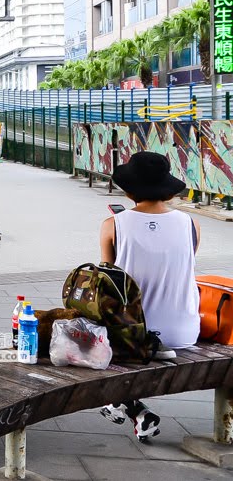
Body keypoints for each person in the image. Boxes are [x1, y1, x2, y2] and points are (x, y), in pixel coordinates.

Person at [97, 151, 200, 443]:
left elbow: (109, 281)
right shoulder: (191, 224)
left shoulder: (112, 224)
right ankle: (136, 412)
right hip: (184, 330)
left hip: (135, 336)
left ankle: (124, 402)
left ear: (129, 189)